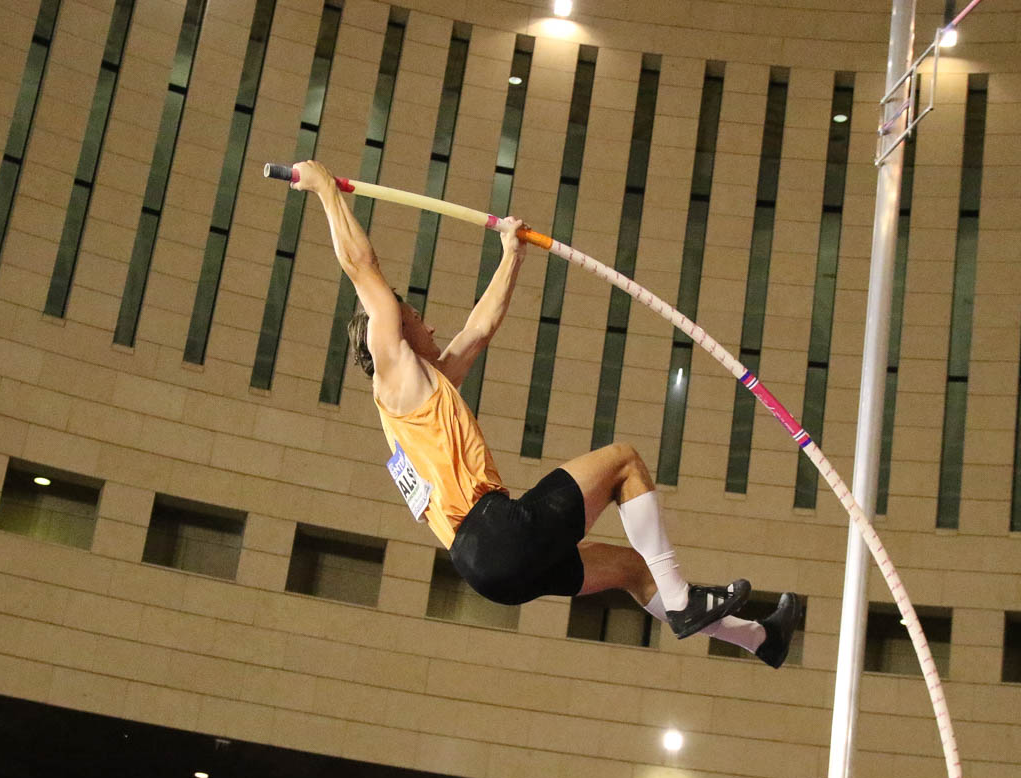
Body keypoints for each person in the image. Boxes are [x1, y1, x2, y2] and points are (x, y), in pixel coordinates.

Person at [291, 159, 804, 669]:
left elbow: (478, 330)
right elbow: (362, 267)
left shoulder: (422, 393)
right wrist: (324, 189)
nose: (429, 327)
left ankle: (762, 639)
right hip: (495, 533)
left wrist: (511, 255)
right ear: (394, 333)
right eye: (417, 319)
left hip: (486, 570)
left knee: (631, 568)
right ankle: (682, 599)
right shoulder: (393, 369)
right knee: (624, 461)